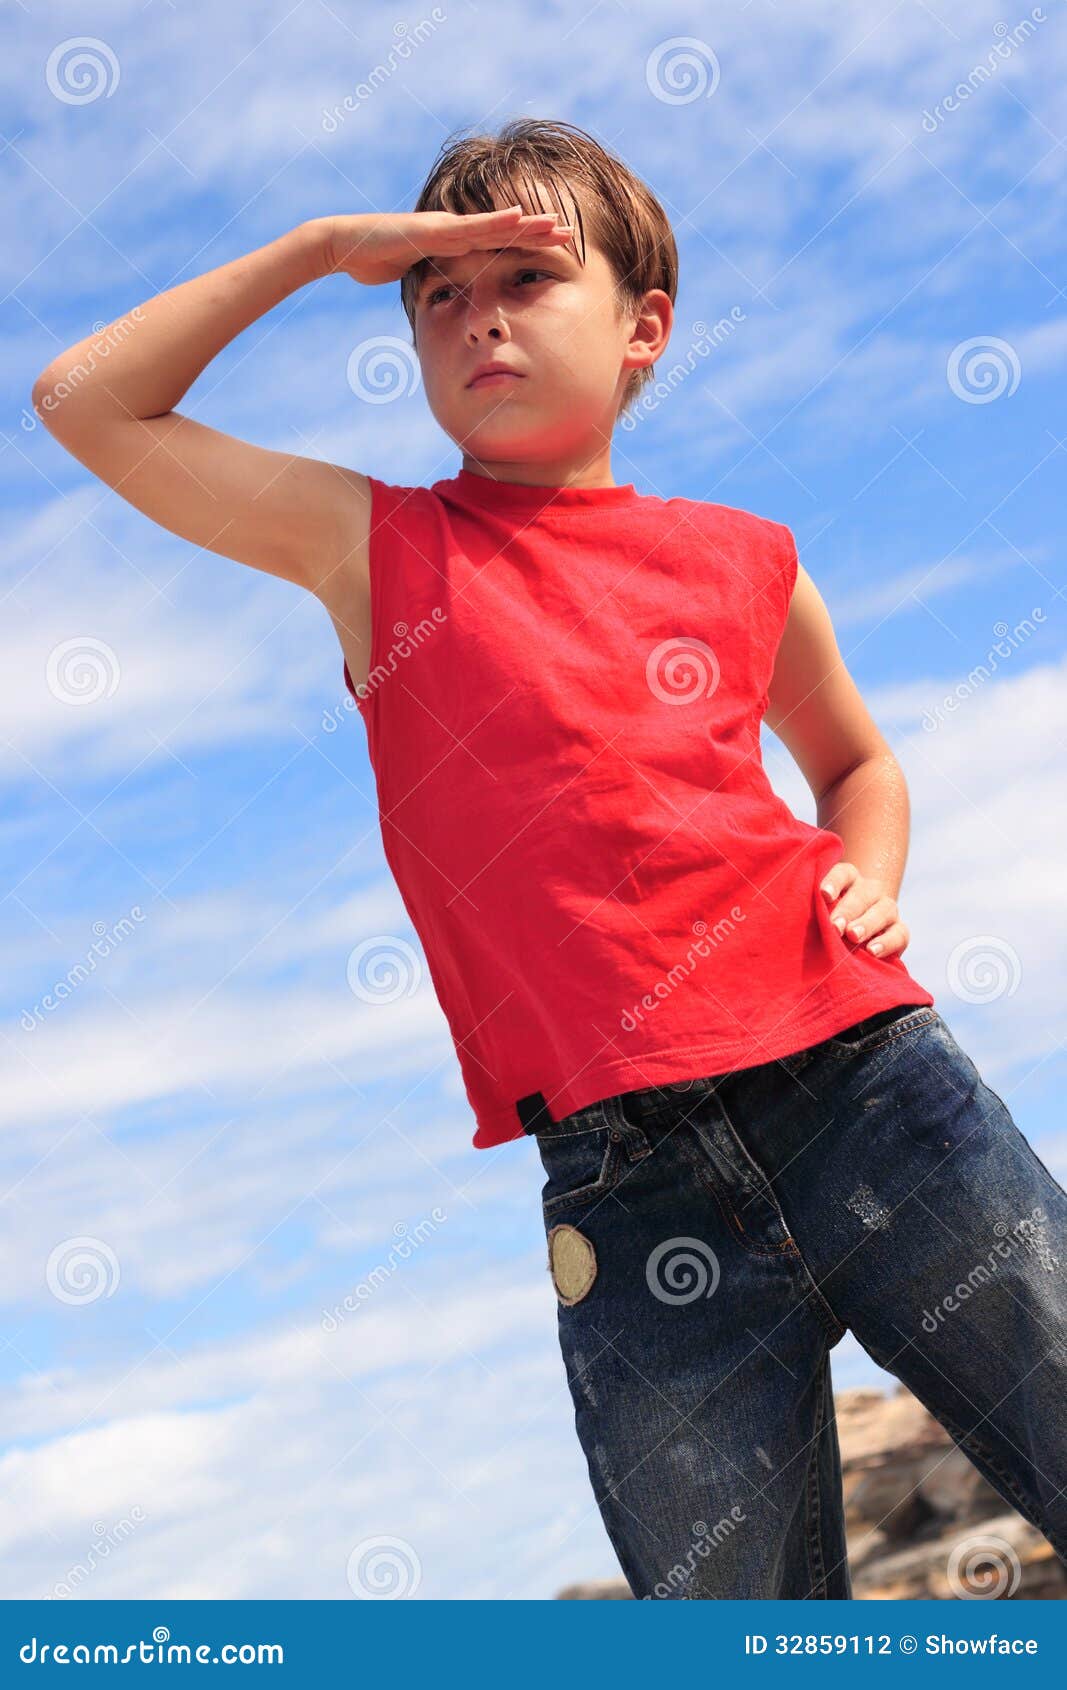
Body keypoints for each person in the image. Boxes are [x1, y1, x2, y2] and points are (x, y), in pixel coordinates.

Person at [32, 117, 1067, 1601]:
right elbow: (87, 404)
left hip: (871, 1085)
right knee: (736, 1631)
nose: (478, 314)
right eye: (439, 291)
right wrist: (327, 248)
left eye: (526, 273)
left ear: (645, 331)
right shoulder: (372, 548)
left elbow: (856, 760)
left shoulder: (743, 557)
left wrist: (873, 866)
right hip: (628, 1193)